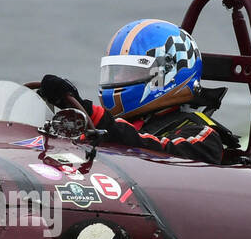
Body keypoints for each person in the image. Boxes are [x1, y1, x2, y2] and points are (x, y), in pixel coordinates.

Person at [38, 19, 240, 164]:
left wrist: (92, 114)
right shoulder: (128, 126)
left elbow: (157, 151)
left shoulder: (202, 136)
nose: (117, 81)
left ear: (165, 75)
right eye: (115, 73)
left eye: (128, 73)